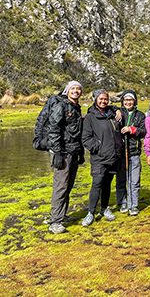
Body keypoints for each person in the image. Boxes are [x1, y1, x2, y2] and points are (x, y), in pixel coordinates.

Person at [81, 90, 123, 227]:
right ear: (95, 99)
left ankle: (104, 208)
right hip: (99, 158)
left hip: (113, 156)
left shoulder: (111, 114)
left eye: (105, 99)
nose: (103, 101)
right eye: (101, 99)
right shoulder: (90, 117)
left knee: (107, 184)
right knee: (97, 184)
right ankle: (90, 213)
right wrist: (98, 148)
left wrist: (117, 109)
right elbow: (86, 138)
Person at [47, 80, 84, 234]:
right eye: (73, 88)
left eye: (78, 89)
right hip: (63, 152)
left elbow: (77, 133)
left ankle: (61, 215)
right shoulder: (61, 106)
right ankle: (55, 222)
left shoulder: (76, 108)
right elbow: (54, 129)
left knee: (68, 186)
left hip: (74, 151)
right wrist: (56, 153)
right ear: (67, 91)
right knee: (61, 186)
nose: (76, 91)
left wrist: (81, 152)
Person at [116, 89, 146, 216]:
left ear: (135, 101)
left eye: (131, 100)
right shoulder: (117, 113)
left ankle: (134, 205)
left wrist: (132, 129)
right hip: (120, 152)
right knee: (121, 179)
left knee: (134, 180)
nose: (128, 102)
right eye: (126, 100)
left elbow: (144, 131)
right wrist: (115, 109)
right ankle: (122, 202)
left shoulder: (140, 115)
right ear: (122, 101)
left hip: (134, 151)